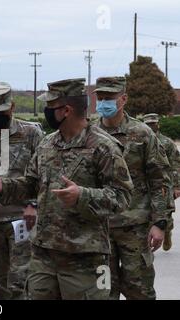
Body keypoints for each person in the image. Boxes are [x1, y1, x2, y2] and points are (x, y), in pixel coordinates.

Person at [0, 78, 133, 300]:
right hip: (43, 255)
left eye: (50, 106)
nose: (47, 111)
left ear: (65, 110)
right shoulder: (47, 144)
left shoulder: (103, 147)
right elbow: (31, 183)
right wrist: (5, 186)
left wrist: (82, 196)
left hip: (84, 257)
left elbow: (122, 196)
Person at [93, 77, 171, 299]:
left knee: (139, 291)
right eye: (100, 98)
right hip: (100, 232)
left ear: (123, 99)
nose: (103, 102)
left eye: (109, 98)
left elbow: (160, 179)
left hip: (135, 229)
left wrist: (160, 222)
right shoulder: (89, 134)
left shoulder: (142, 133)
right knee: (103, 291)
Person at [0, 82, 43, 299]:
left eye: (1, 112)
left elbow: (43, 176)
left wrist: (33, 204)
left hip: (21, 219)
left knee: (20, 283)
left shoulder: (31, 134)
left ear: (11, 107)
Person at [143, 113, 180, 251]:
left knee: (165, 210)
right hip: (146, 183)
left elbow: (176, 164)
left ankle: (167, 230)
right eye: (148, 124)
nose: (151, 126)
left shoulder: (167, 142)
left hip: (165, 183)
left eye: (153, 124)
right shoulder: (140, 141)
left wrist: (177, 186)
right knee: (146, 211)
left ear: (158, 124)